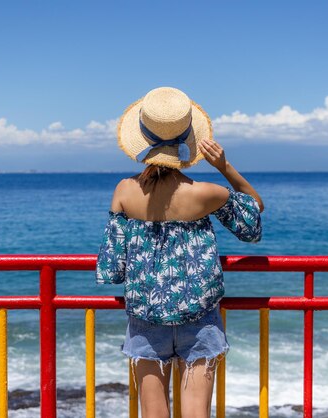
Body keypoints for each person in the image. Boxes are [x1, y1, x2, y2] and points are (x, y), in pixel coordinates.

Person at [95, 87, 264, 418]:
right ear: (189, 139)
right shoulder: (205, 193)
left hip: (146, 318)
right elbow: (252, 219)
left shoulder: (125, 191)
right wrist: (225, 167)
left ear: (141, 139)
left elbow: (112, 269)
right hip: (199, 318)